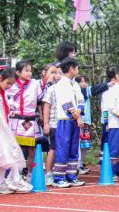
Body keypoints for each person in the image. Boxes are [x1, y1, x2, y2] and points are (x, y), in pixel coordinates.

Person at [0, 67, 32, 194]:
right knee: (3, 151)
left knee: (5, 152)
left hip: (2, 125)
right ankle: (12, 179)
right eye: (8, 83)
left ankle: (3, 181)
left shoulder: (3, 93)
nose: (9, 86)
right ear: (0, 78)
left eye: (12, 84)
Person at [50, 57, 85, 188]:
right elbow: (66, 104)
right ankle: (58, 178)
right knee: (63, 147)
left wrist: (79, 112)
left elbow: (81, 100)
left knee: (73, 148)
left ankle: (71, 176)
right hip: (65, 120)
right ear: (71, 69)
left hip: (74, 120)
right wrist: (77, 116)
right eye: (77, 68)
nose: (77, 70)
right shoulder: (61, 84)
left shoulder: (75, 84)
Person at [6, 60, 44, 175]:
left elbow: (40, 99)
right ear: (17, 72)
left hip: (30, 120)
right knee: (15, 148)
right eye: (26, 71)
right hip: (15, 120)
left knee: (31, 148)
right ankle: (15, 173)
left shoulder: (35, 84)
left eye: (30, 71)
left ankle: (30, 173)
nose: (29, 73)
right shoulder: (11, 84)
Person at [76, 74, 112, 174]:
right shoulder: (79, 92)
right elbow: (94, 89)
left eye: (85, 81)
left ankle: (80, 164)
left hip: (86, 122)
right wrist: (108, 84)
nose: (83, 84)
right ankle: (77, 165)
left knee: (85, 145)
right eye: (81, 82)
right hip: (79, 122)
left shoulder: (84, 93)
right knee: (78, 145)